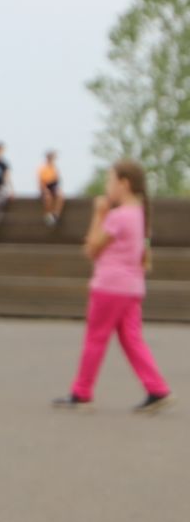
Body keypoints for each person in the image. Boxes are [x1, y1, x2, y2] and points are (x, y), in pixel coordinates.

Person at [52, 159, 174, 413]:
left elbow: (92, 248)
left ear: (124, 184)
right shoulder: (140, 215)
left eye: (110, 180)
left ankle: (82, 392)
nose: (107, 186)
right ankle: (156, 388)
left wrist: (99, 214)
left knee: (95, 338)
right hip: (132, 287)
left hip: (110, 286)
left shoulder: (118, 217)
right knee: (131, 339)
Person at [38, 149, 62, 228]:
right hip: (45, 186)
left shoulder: (54, 168)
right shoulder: (42, 168)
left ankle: (56, 215)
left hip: (53, 186)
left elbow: (57, 180)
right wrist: (45, 190)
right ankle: (48, 214)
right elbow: (41, 181)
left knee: (60, 195)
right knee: (48, 197)